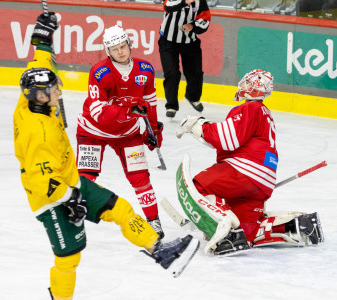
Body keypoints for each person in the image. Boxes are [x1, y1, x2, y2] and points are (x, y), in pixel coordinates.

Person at [14, 13, 199, 299]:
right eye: (53, 90)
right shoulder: (39, 133)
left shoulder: (29, 101)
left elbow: (40, 63)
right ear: (40, 97)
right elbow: (42, 180)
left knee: (122, 206)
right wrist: (71, 199)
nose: (58, 90)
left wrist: (43, 38)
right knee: (69, 259)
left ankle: (159, 248)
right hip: (57, 191)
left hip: (79, 174)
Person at [175, 69, 324, 255]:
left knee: (199, 186)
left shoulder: (250, 108)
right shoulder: (264, 113)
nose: (242, 85)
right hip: (261, 181)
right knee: (245, 232)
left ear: (255, 87)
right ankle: (298, 226)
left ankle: (219, 223)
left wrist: (198, 124)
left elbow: (227, 138)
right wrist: (201, 131)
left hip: (243, 171)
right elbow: (226, 141)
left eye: (247, 82)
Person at [76, 25, 166, 238]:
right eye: (114, 49)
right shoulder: (100, 72)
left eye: (123, 46)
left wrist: (153, 131)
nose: (120, 52)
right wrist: (129, 111)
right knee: (86, 176)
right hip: (93, 131)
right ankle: (71, 213)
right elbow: (98, 112)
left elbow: (150, 105)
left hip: (127, 133)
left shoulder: (145, 70)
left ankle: (153, 221)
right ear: (108, 51)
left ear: (129, 45)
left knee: (140, 177)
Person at [158, 0, 211, 118]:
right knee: (172, 73)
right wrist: (185, 1)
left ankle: (192, 97)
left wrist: (192, 26)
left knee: (195, 73)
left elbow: (205, 20)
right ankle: (171, 105)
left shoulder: (201, 2)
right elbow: (168, 6)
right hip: (168, 41)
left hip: (190, 42)